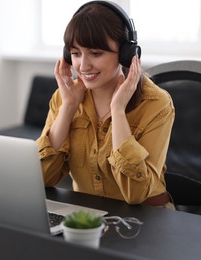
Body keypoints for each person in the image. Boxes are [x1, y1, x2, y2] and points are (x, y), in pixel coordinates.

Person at [36, 1, 175, 209]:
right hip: (87, 218)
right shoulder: (64, 98)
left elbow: (136, 193)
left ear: (126, 53)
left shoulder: (156, 103)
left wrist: (118, 111)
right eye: (75, 53)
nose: (83, 66)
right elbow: (42, 178)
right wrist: (68, 107)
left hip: (146, 220)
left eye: (95, 53)